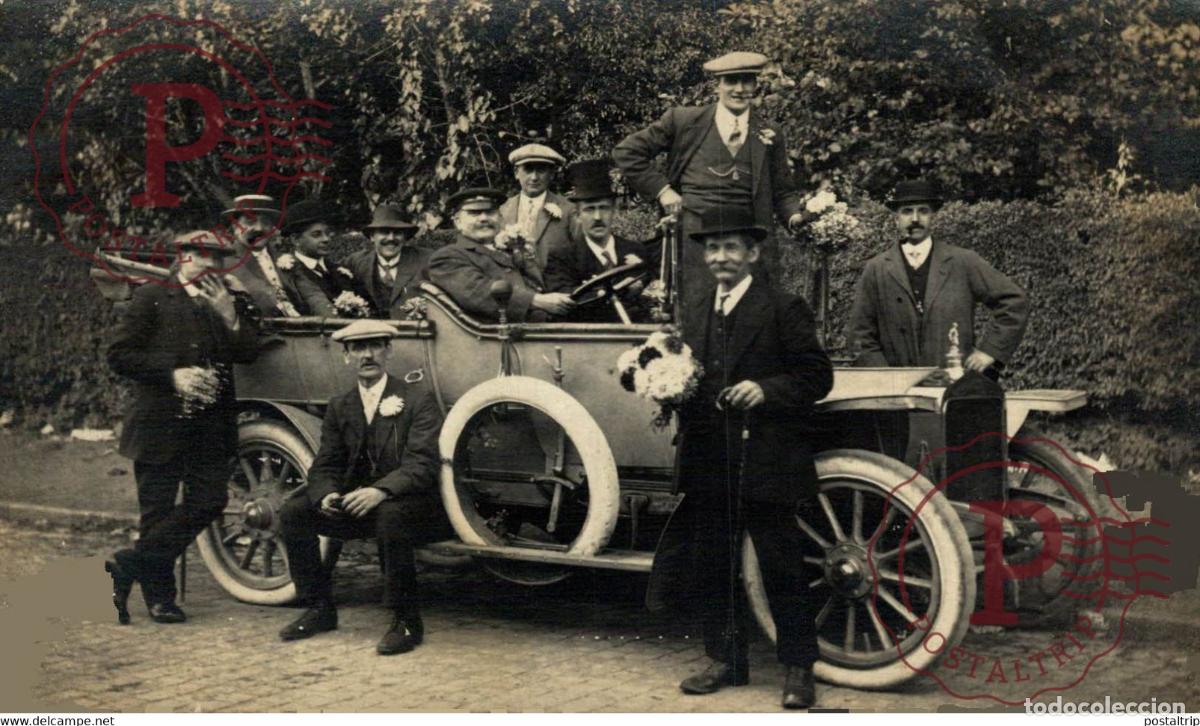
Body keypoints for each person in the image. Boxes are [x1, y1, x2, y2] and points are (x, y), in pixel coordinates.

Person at [646, 206, 833, 709]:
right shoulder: (701, 306)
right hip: (711, 454)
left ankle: (798, 668)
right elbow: (693, 373)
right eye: (712, 248)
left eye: (731, 248)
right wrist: (664, 384)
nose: (720, 256)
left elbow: (817, 376)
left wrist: (765, 389)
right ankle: (726, 659)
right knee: (715, 560)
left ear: (752, 254)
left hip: (767, 455)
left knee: (781, 562)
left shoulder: (783, 307)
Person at [104, 230, 260, 624]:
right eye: (205, 255)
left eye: (220, 257)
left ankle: (129, 562)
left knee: (210, 501)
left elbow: (250, 353)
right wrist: (172, 375)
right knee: (156, 514)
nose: (213, 264)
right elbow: (120, 355)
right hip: (159, 425)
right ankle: (161, 600)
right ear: (184, 256)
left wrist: (229, 315)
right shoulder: (152, 297)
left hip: (210, 426)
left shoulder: (228, 299)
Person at [276, 319, 446, 655]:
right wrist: (326, 493)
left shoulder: (416, 398)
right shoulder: (341, 405)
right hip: (358, 504)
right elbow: (325, 463)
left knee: (391, 517)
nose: (367, 355)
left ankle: (406, 620)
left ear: (389, 351)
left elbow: (423, 465)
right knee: (294, 512)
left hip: (413, 504)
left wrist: (380, 491)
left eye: (375, 346)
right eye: (358, 348)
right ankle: (319, 607)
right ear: (346, 356)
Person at [612, 51, 806, 297]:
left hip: (750, 241)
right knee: (696, 313)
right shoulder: (684, 121)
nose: (739, 89)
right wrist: (663, 191)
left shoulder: (769, 132)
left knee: (752, 312)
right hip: (694, 239)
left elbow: (783, 190)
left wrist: (795, 217)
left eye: (747, 81)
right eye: (731, 81)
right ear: (718, 85)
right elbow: (627, 152)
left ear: (756, 85)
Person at [847, 179, 1029, 374]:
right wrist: (884, 376)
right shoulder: (877, 269)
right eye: (907, 211)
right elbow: (860, 334)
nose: (915, 218)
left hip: (952, 381)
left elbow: (1014, 301)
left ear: (933, 216)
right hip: (896, 390)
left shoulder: (962, 261)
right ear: (896, 219)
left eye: (923, 211)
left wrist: (990, 351)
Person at [427, 187, 575, 322]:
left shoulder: (511, 248)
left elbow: (546, 281)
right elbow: (480, 292)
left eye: (490, 212)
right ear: (457, 222)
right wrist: (536, 300)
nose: (484, 218)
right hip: (499, 339)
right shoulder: (447, 257)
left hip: (546, 326)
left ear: (500, 218)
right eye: (474, 213)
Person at [544, 159, 652, 323]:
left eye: (603, 208)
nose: (597, 217)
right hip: (588, 339)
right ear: (578, 216)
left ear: (614, 210)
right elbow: (569, 301)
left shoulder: (636, 250)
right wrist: (622, 291)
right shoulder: (562, 257)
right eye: (589, 209)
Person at [343, 204, 431, 319]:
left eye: (397, 232)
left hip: (412, 331)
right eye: (384, 232)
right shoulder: (354, 262)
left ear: (405, 237)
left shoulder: (427, 259)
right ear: (372, 236)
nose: (391, 238)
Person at [498, 143, 575, 274]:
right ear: (517, 173)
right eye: (528, 169)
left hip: (556, 288)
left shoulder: (569, 210)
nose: (534, 177)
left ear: (551, 174)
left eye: (541, 170)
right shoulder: (502, 210)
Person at [222, 194, 297, 317]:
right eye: (250, 222)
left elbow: (310, 294)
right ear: (235, 226)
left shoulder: (283, 257)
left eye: (266, 222)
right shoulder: (227, 261)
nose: (259, 228)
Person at [276, 199, 343, 316]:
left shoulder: (339, 270)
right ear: (295, 240)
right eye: (316, 235)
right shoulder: (287, 274)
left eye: (327, 233)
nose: (326, 239)